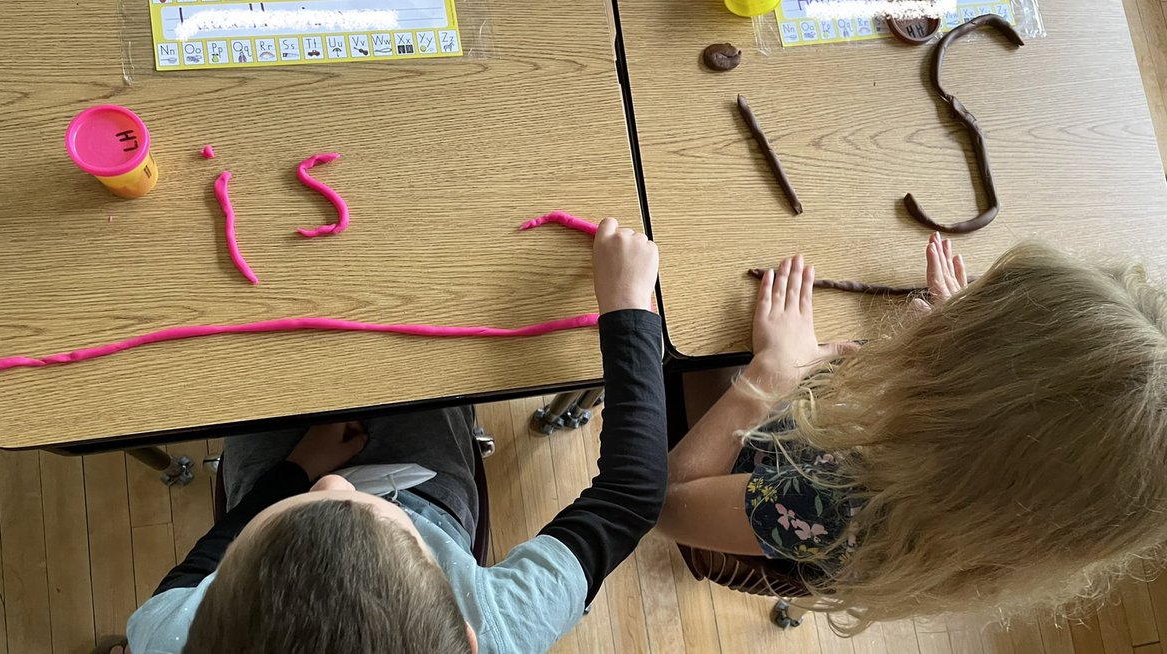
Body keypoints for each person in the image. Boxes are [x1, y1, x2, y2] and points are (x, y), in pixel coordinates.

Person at [125, 218, 666, 654]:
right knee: (430, 369)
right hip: (430, 495)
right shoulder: (503, 627)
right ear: (468, 638)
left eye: (315, 497)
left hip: (271, 483)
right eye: (347, 497)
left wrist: (292, 474)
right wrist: (629, 311)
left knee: (247, 366)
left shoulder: (167, 636)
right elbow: (630, 497)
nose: (333, 482)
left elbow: (201, 566)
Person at [659, 234, 1167, 634]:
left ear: (967, 413)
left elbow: (663, 502)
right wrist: (971, 336)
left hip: (756, 480)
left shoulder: (840, 507)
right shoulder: (999, 503)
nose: (927, 319)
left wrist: (767, 375)